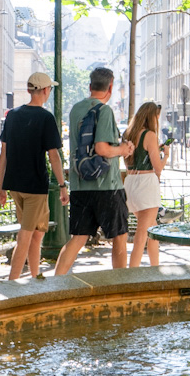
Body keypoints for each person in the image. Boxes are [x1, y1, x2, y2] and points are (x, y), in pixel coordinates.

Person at [54, 67, 134, 276]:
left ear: (90, 87)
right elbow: (102, 149)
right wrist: (123, 150)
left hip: (80, 185)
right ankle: (119, 285)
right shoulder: (105, 111)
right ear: (110, 87)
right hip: (107, 186)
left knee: (78, 238)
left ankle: (56, 282)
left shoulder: (76, 110)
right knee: (119, 237)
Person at [0, 72, 69, 279]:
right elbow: (54, 155)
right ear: (45, 90)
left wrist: (0, 187)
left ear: (29, 90)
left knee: (36, 234)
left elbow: (4, 153)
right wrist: (63, 186)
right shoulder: (46, 118)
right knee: (26, 236)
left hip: (15, 186)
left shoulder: (13, 115)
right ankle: (12, 284)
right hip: (35, 187)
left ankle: (35, 277)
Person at [123, 101, 169, 267]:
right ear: (152, 117)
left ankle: (155, 268)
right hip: (146, 185)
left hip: (130, 183)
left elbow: (127, 162)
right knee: (141, 235)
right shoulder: (150, 135)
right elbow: (158, 168)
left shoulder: (128, 133)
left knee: (152, 229)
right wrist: (166, 156)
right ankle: (132, 274)